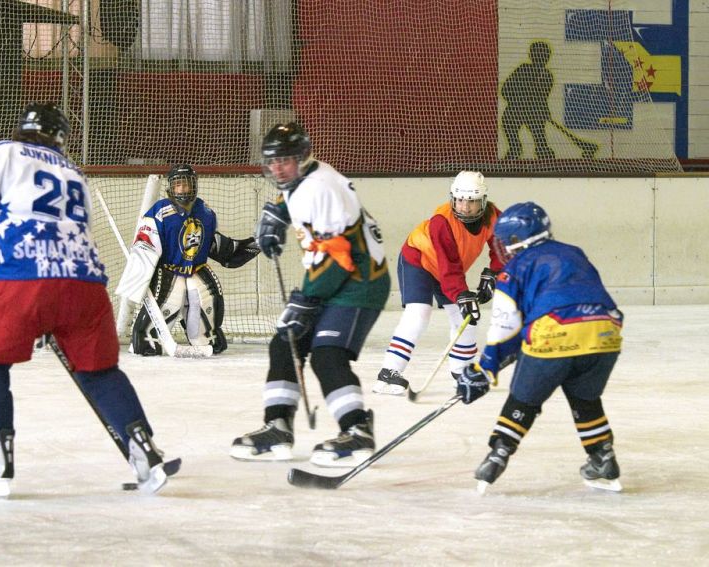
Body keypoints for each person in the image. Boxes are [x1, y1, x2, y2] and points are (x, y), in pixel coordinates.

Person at [0, 102, 171, 496]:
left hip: (26, 280)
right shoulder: (73, 171)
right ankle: (144, 450)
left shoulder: (1, 152)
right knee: (99, 372)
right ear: (61, 137)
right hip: (85, 286)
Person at [230, 122, 390, 467]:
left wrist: (306, 300)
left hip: (359, 281)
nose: (277, 169)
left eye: (284, 161)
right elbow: (291, 198)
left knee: (327, 353)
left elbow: (338, 256)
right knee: (285, 342)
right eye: (272, 162)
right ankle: (277, 425)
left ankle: (357, 430)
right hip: (336, 275)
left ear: (302, 158)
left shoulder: (321, 188)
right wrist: (277, 214)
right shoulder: (301, 179)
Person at [455, 202, 624, 493]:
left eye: (505, 241)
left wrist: (485, 368)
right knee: (585, 398)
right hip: (605, 331)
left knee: (524, 400)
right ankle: (603, 457)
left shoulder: (515, 268)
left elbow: (505, 325)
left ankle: (497, 456)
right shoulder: (575, 252)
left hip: (553, 333)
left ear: (516, 239)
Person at [373, 171, 503, 396]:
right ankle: (389, 371)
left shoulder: (494, 217)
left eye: (471, 201)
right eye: (460, 200)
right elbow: (449, 266)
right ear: (453, 198)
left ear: (483, 201)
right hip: (419, 260)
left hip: (447, 270)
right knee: (419, 312)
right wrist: (461, 295)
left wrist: (493, 273)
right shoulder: (441, 222)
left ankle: (461, 372)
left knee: (467, 317)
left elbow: (501, 249)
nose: (465, 207)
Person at [115, 164, 260, 358]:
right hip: (168, 270)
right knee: (165, 310)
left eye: (186, 184)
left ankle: (205, 338)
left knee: (206, 302)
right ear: (170, 188)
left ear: (194, 185)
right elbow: (145, 245)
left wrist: (254, 244)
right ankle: (148, 341)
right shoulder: (159, 212)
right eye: (178, 185)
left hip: (196, 269)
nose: (182, 189)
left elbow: (213, 244)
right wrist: (140, 276)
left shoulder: (205, 212)